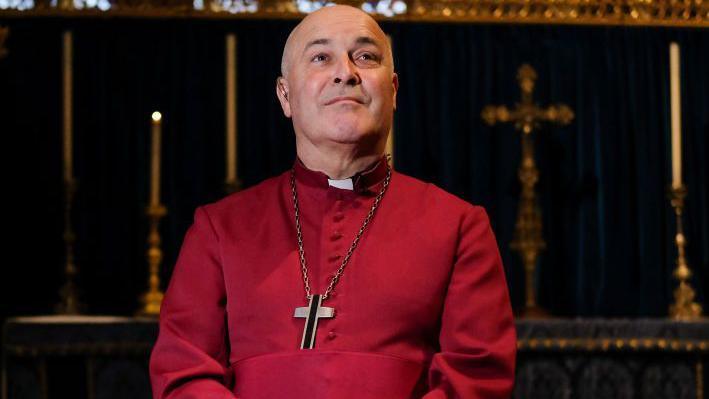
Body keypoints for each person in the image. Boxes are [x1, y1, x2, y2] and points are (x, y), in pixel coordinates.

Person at [149, 4, 516, 398]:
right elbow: (184, 372)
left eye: (365, 56)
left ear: (392, 91)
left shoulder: (459, 227)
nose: (346, 72)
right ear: (285, 96)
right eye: (321, 57)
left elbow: (476, 378)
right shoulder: (218, 229)